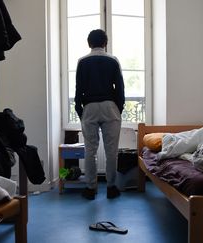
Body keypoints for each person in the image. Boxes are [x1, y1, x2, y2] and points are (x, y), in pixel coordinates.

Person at [75, 29, 125, 200]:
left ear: (89, 43)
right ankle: (111, 188)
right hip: (110, 106)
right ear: (105, 43)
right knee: (112, 151)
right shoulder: (113, 60)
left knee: (90, 150)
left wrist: (80, 110)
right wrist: (118, 108)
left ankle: (90, 188)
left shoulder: (82, 62)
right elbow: (119, 88)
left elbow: (78, 89)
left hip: (89, 107)